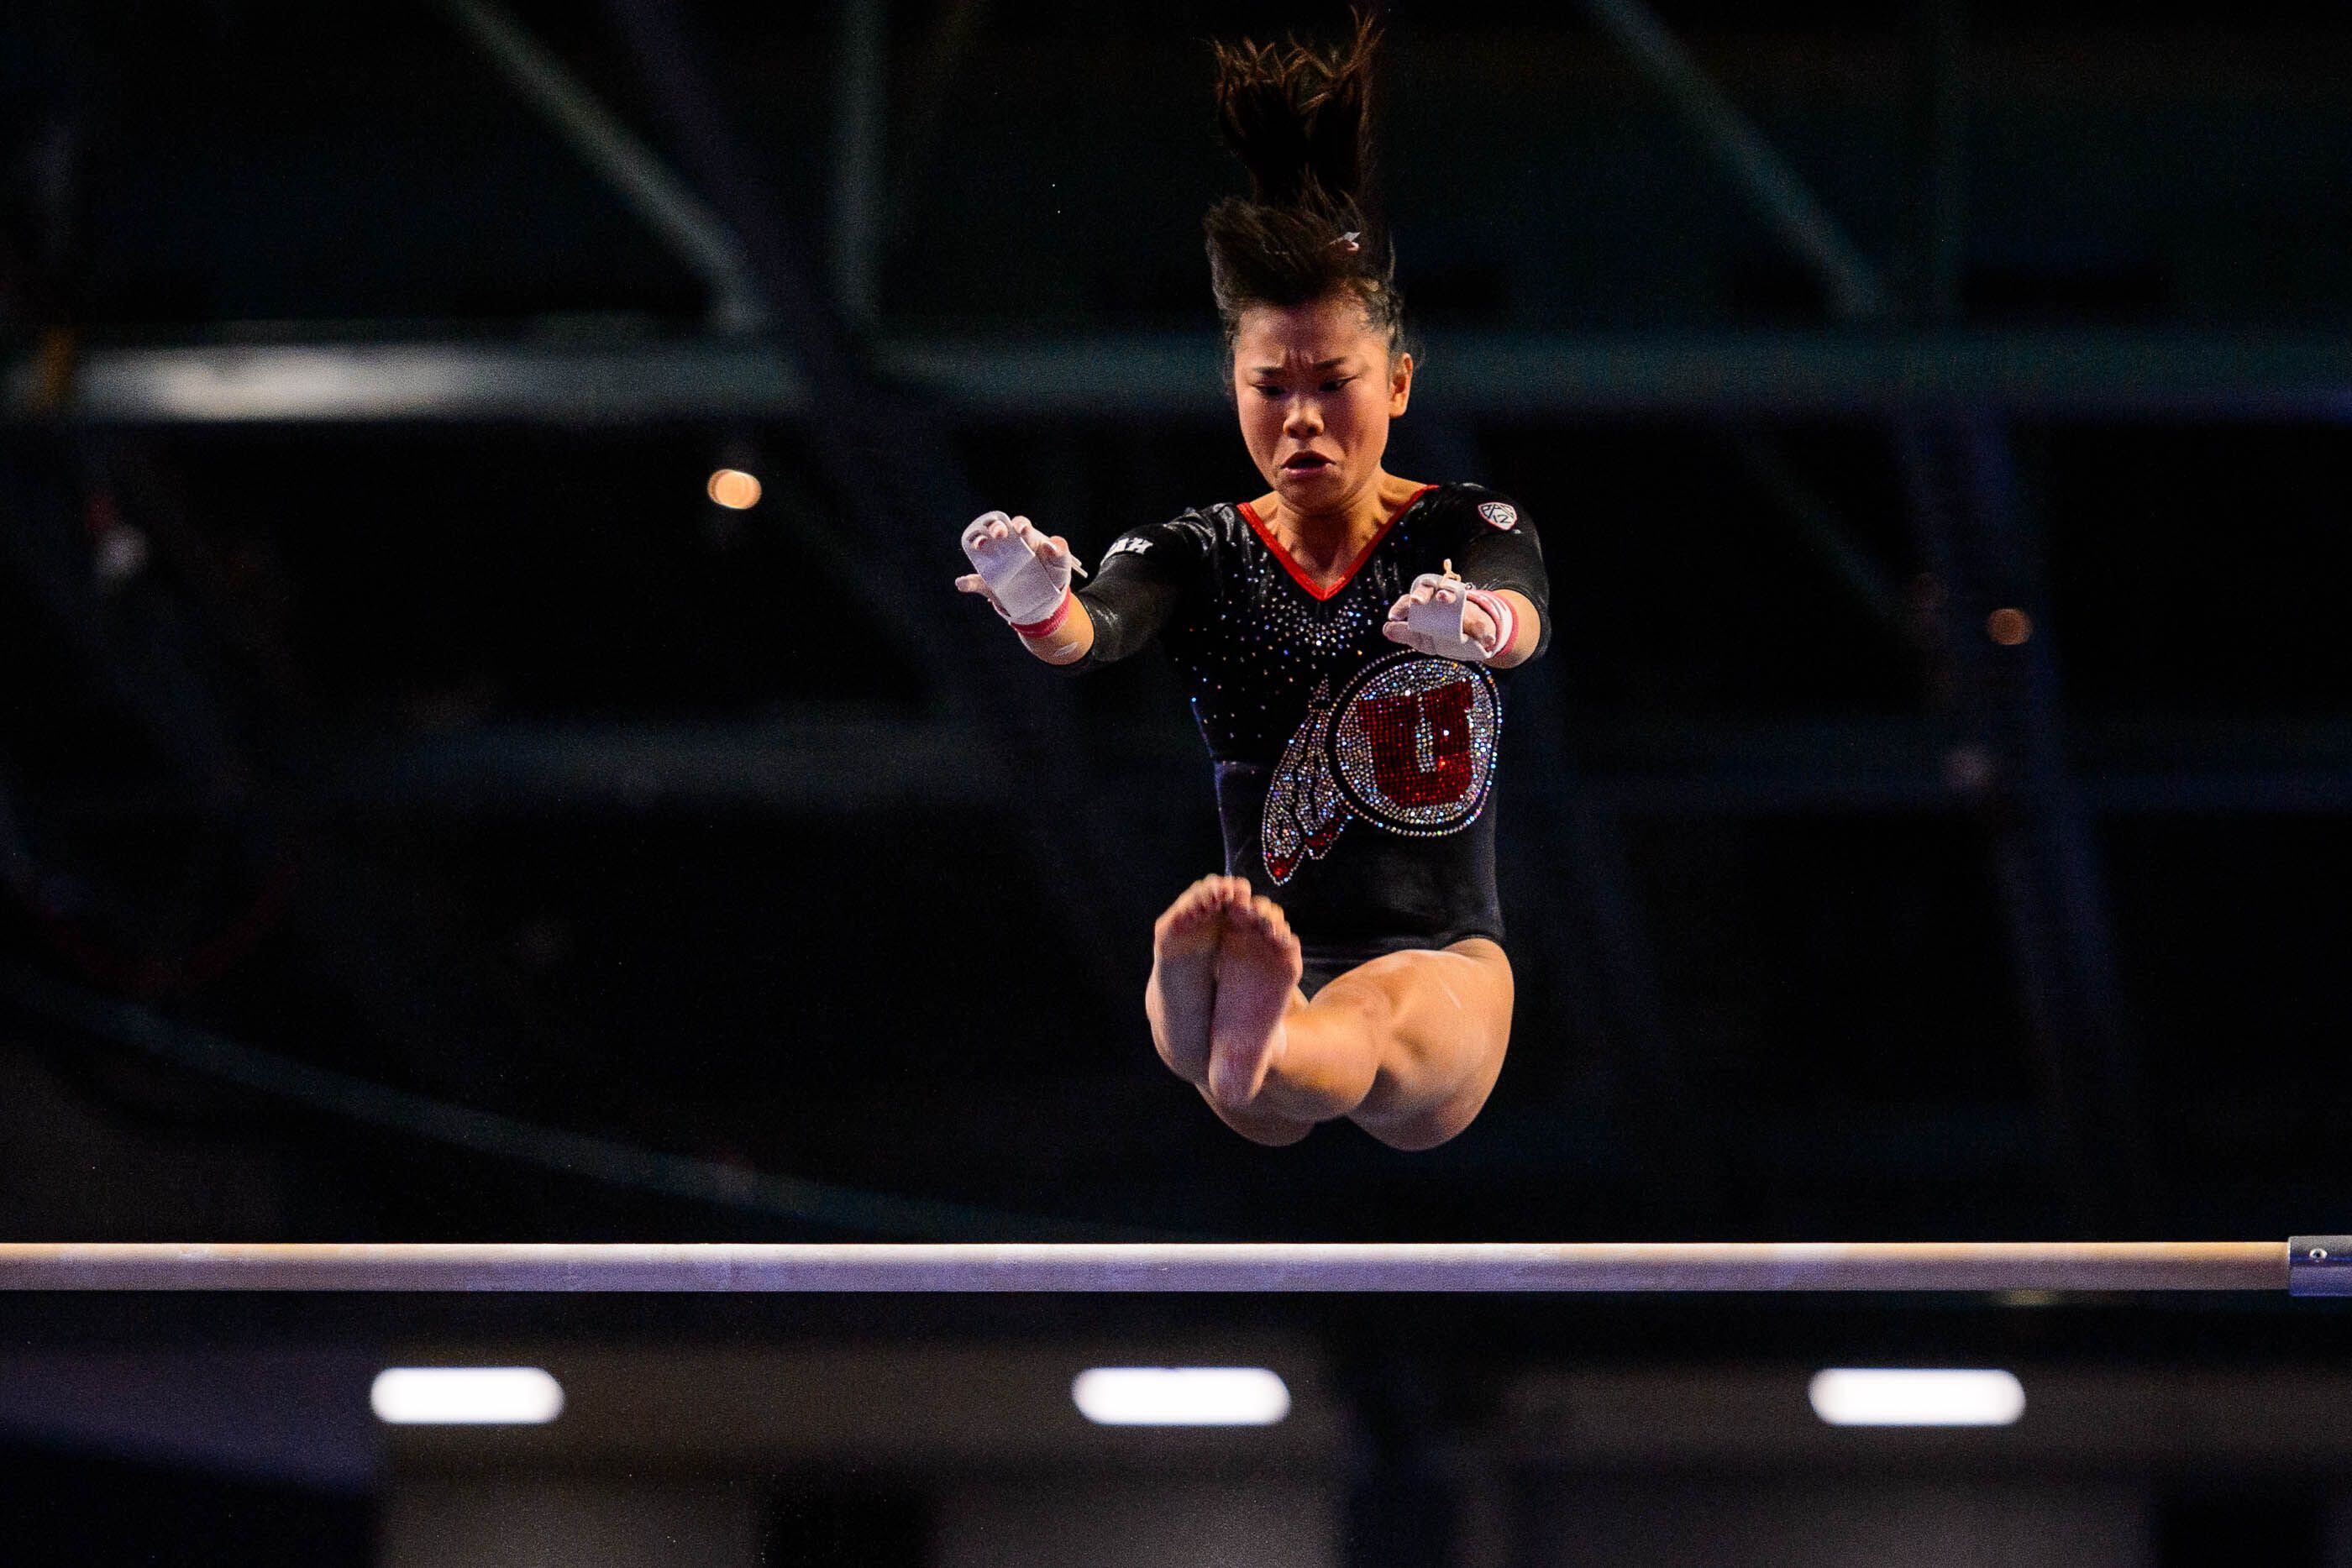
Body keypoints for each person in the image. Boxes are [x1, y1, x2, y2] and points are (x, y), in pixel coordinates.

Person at [953, 14, 1550, 1151]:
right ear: (1232, 383)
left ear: (1403, 383)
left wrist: (1477, 621)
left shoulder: (1465, 525)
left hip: (1442, 963)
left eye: (1335, 381)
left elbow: (1522, 607)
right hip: (1267, 953)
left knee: (1369, 1021)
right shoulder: (1201, 550)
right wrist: (1037, 603)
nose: (1304, 418)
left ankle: (1245, 1029)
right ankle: (1225, 1013)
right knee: (1217, 1030)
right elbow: (1099, 624)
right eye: (1271, 386)